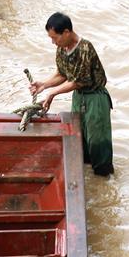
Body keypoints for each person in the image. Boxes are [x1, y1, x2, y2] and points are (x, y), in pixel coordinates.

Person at [29, 12, 114, 176]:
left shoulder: (85, 48)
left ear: (67, 32)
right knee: (79, 139)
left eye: (55, 38)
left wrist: (52, 94)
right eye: (51, 39)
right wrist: (44, 85)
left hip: (95, 97)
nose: (54, 43)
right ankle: (88, 177)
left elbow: (78, 81)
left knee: (97, 141)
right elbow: (62, 74)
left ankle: (104, 178)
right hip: (79, 97)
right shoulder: (62, 49)